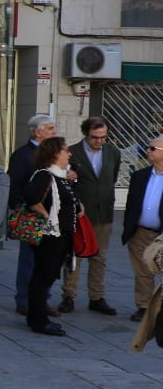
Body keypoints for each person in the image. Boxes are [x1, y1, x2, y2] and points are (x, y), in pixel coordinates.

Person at [60, 116, 120, 315]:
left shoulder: (112, 152)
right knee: (75, 255)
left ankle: (96, 297)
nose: (100, 141)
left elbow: (111, 177)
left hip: (104, 212)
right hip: (81, 212)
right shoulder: (73, 153)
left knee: (100, 256)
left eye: (103, 137)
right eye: (95, 137)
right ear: (86, 134)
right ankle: (69, 296)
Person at [21, 136, 73, 337]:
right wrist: (45, 215)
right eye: (65, 150)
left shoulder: (61, 176)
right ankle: (38, 320)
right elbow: (30, 196)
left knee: (48, 276)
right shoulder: (45, 175)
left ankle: (38, 315)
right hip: (50, 236)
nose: (69, 154)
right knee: (42, 277)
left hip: (61, 236)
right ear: (54, 153)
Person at [8, 114, 60, 316]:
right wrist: (20, 207)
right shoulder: (23, 155)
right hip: (32, 215)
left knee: (48, 260)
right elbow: (13, 184)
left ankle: (42, 299)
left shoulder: (55, 154)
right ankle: (24, 300)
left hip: (53, 215)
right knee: (29, 259)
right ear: (38, 132)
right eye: (50, 128)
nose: (54, 132)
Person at [123, 135, 163, 322]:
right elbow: (131, 204)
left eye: (152, 148)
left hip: (161, 233)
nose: (148, 151)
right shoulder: (139, 176)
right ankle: (144, 306)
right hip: (141, 232)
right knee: (142, 271)